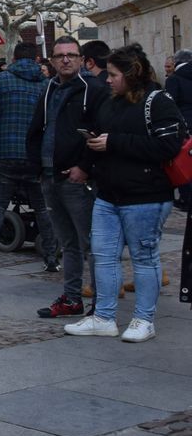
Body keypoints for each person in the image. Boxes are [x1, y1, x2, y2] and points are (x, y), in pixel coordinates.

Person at [64, 47, 186, 343]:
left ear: (131, 75)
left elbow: (168, 146)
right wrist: (87, 157)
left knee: (144, 258)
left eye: (114, 75)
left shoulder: (158, 101)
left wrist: (114, 142)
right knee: (104, 256)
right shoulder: (110, 101)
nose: (108, 80)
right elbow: (101, 134)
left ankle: (144, 319)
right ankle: (104, 316)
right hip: (109, 194)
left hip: (146, 195)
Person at [26, 35, 104, 319]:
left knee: (90, 243)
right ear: (52, 61)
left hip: (77, 179)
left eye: (71, 55)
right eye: (60, 56)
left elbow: (100, 133)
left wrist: (84, 167)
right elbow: (36, 130)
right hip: (49, 176)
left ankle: (101, 302)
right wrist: (36, 166)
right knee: (67, 243)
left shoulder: (93, 90)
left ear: (82, 59)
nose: (66, 60)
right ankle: (72, 298)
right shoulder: (49, 89)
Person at [0, 42, 54, 274]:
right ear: (37, 59)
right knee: (42, 207)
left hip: (5, 152)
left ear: (13, 59)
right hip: (35, 157)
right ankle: (52, 257)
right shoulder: (46, 85)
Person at [165, 49, 192, 208]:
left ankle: (186, 197)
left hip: (184, 126)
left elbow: (170, 105)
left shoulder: (174, 79)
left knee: (183, 160)